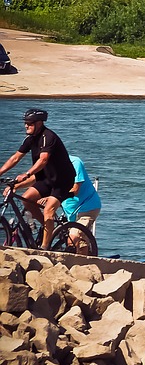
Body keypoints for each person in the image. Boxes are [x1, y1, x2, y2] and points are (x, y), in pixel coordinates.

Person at [0, 108, 76, 251]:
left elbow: (43, 160)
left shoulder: (49, 137)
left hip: (62, 181)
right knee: (26, 199)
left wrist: (27, 174)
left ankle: (45, 247)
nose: (26, 125)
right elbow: (15, 158)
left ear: (39, 123)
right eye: (25, 123)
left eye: (29, 123)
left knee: (48, 210)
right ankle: (50, 228)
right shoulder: (30, 139)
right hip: (46, 179)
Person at [61, 154, 101, 255]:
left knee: (73, 238)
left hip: (87, 207)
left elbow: (76, 189)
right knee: (81, 242)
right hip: (70, 212)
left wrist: (56, 196)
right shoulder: (51, 166)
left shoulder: (75, 162)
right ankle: (84, 264)